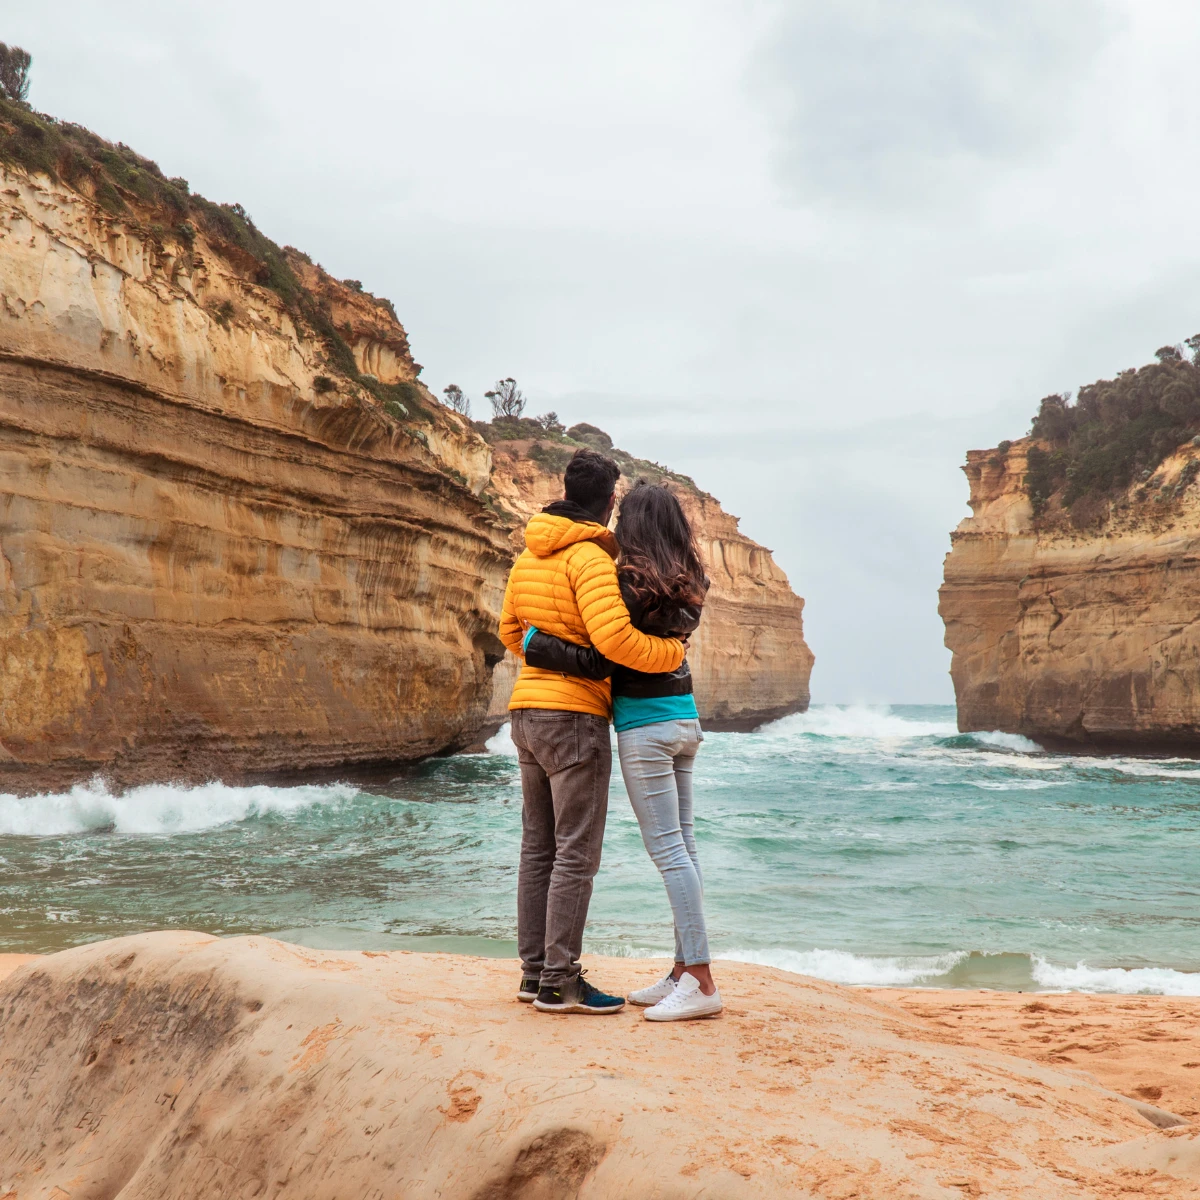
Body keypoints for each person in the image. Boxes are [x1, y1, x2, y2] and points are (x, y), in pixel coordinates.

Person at [525, 481, 721, 1022]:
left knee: (669, 852)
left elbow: (603, 646)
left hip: (645, 729)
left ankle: (701, 980)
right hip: (685, 721)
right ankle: (682, 970)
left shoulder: (628, 581)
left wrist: (535, 644)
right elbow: (667, 647)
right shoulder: (691, 578)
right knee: (686, 846)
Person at [498, 450, 685, 1015]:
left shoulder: (528, 554)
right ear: (609, 502)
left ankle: (534, 976)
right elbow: (615, 645)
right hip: (574, 720)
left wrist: (549, 652)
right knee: (575, 854)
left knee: (538, 848)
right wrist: (670, 652)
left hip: (526, 713)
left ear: (564, 489)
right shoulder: (588, 558)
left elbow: (510, 630)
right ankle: (561, 981)